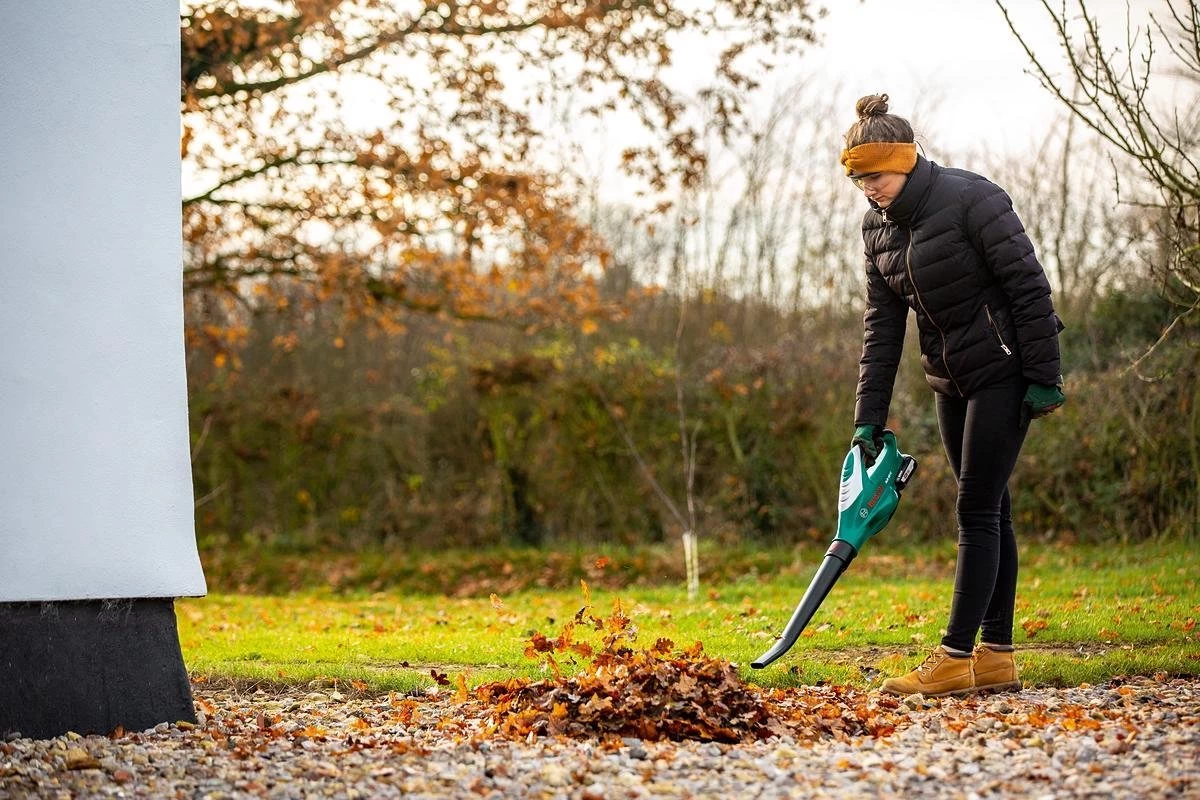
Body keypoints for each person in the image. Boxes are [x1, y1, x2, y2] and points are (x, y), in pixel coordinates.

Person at [840, 94, 1065, 697]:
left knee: (975, 508)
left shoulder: (972, 198)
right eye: (859, 179)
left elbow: (1027, 284)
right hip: (950, 379)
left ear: (907, 161)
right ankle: (996, 655)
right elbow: (881, 329)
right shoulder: (877, 229)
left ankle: (954, 656)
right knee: (995, 510)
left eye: (877, 176)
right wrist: (868, 417)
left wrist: (1046, 374)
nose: (869, 190)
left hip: (1005, 369)